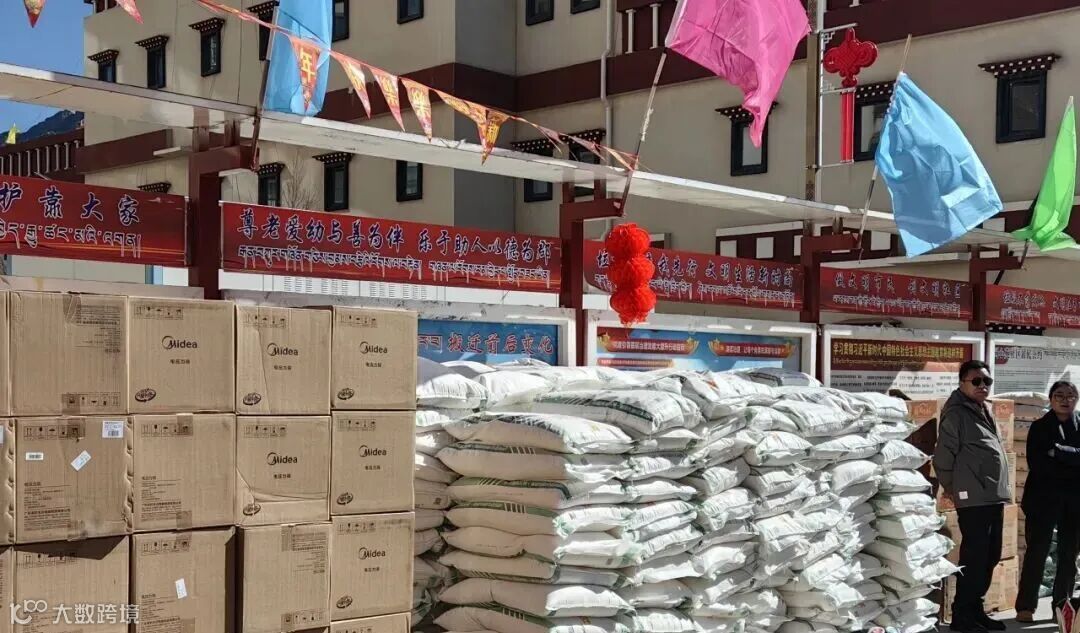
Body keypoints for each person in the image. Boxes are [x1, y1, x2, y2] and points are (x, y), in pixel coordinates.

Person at [934, 359, 1012, 633]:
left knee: (990, 556)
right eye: (976, 381)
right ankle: (962, 615)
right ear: (962, 383)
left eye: (986, 381)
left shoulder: (983, 409)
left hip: (992, 495)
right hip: (973, 498)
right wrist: (954, 489)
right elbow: (943, 457)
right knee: (975, 557)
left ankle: (976, 609)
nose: (982, 386)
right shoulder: (957, 413)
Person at [1015, 380, 1080, 621]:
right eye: (1059, 395)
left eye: (1070, 395)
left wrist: (1059, 452)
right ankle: (1026, 606)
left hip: (1074, 501)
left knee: (1069, 555)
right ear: (1051, 399)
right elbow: (1038, 464)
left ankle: (1061, 607)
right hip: (1042, 499)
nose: (1065, 400)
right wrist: (1072, 461)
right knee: (1037, 551)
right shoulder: (1039, 427)